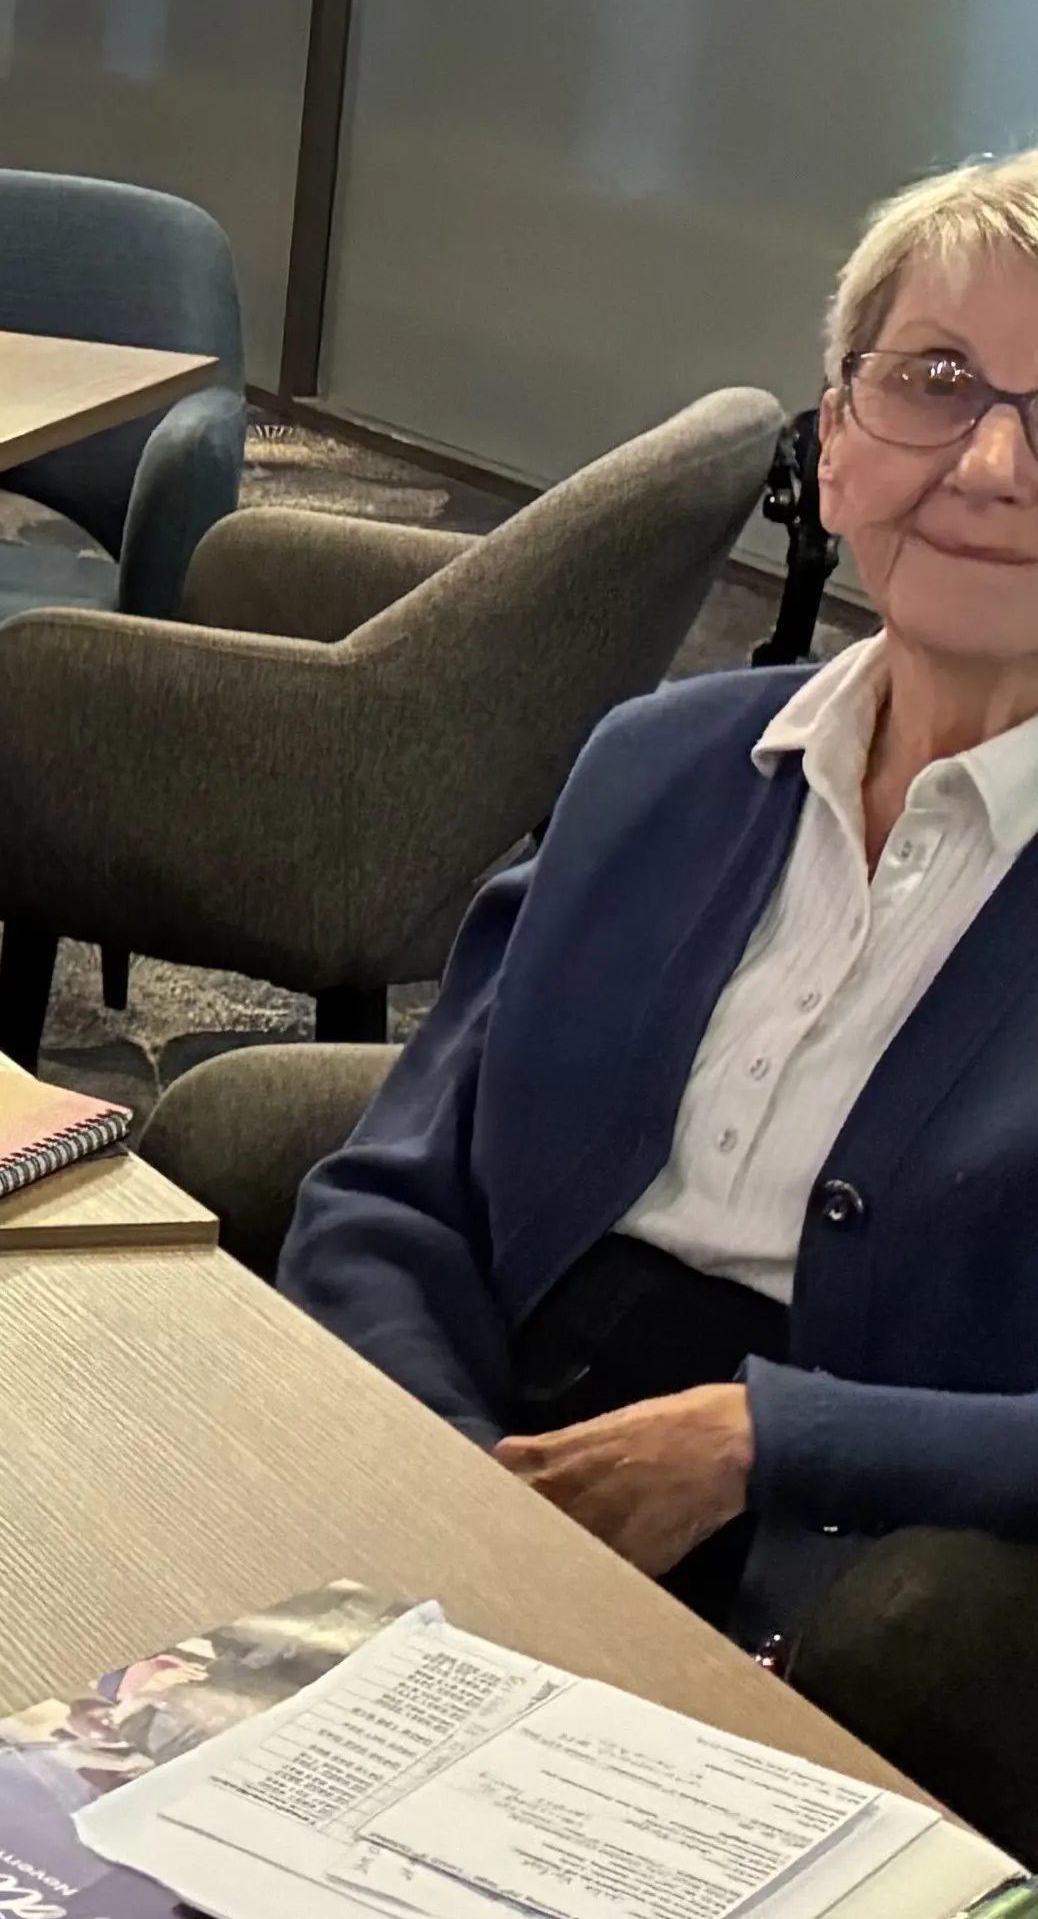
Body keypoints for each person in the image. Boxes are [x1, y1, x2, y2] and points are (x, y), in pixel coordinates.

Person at [280, 150, 1038, 1857]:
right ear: (835, 437)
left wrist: (768, 1434)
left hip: (868, 1554)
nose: (991, 461)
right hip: (489, 1433)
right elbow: (396, 1186)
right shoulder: (661, 762)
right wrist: (459, 1469)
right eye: (935, 382)